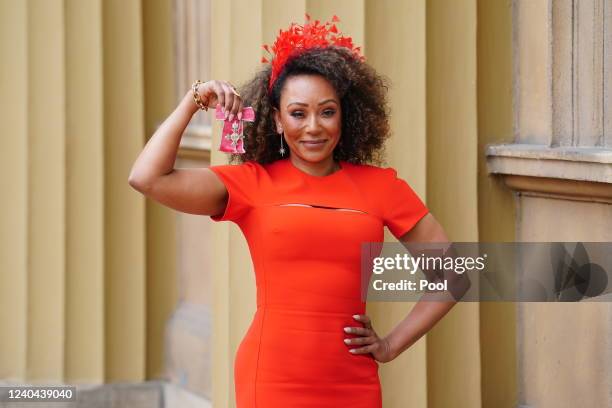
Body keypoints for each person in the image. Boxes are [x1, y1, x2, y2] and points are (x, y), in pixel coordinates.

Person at [128, 15, 460, 408]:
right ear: (277, 120)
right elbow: (146, 177)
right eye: (298, 113)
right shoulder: (251, 183)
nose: (314, 127)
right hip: (271, 377)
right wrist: (193, 100)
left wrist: (390, 345)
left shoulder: (382, 187)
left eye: (327, 111)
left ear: (345, 115)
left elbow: (455, 273)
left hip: (351, 381)